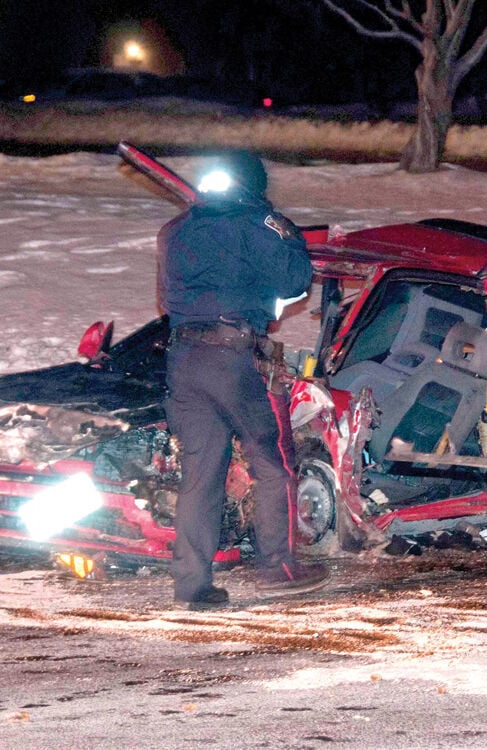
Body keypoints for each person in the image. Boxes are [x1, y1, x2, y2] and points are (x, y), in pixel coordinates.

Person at [158, 150, 329, 608]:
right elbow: (295, 281)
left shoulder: (175, 230)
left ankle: (192, 586)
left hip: (182, 360)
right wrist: (286, 234)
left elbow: (169, 296)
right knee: (273, 464)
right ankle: (281, 567)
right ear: (254, 186)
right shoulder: (258, 223)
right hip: (235, 359)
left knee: (200, 477)